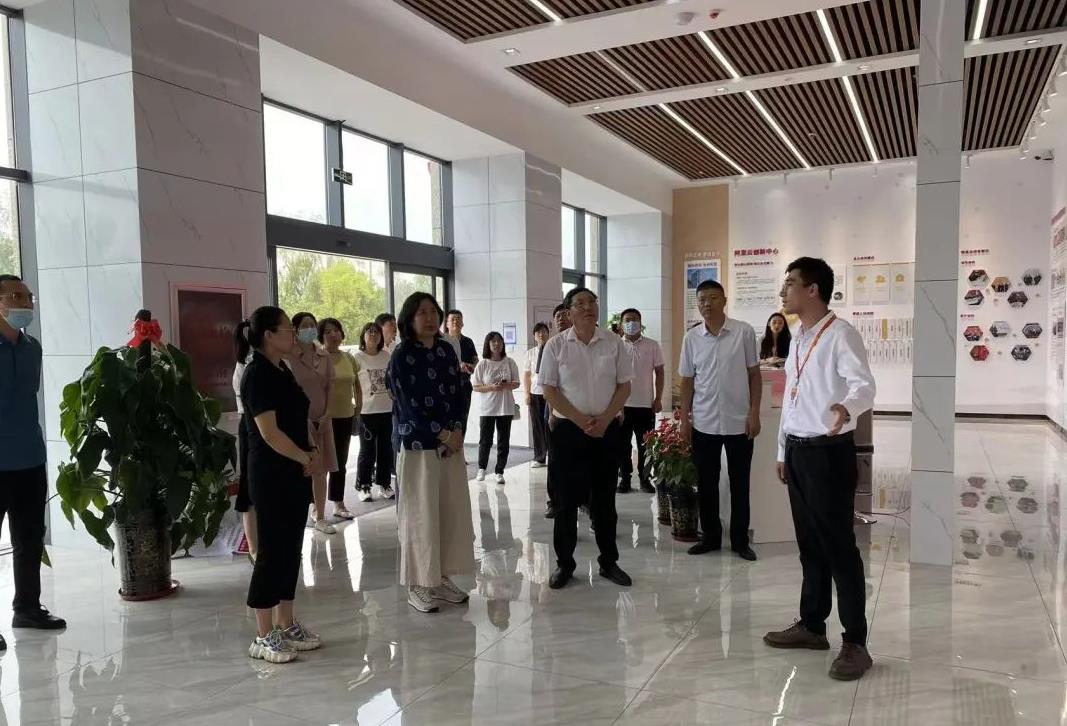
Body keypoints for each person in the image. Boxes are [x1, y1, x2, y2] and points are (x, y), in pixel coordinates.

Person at [763, 257, 876, 682]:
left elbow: (864, 385)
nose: (783, 291)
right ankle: (812, 625)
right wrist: (782, 449)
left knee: (839, 548)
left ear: (813, 290)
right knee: (809, 544)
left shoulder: (840, 334)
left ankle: (856, 643)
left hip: (828, 452)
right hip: (798, 450)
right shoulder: (799, 336)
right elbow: (792, 397)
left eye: (790, 283)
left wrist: (847, 407)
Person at [239, 306, 322, 663]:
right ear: (269, 336)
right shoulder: (257, 374)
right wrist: (304, 457)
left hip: (295, 469)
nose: (294, 334)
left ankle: (286, 623)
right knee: (271, 551)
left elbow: (298, 418)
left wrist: (311, 451)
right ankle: (263, 633)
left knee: (291, 548)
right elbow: (269, 433)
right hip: (271, 472)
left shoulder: (282, 369)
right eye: (288, 329)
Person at [539, 287, 633, 590]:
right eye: (580, 303)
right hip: (569, 431)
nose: (588, 307)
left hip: (606, 429)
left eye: (592, 302)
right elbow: (549, 389)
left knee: (605, 499)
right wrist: (580, 420)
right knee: (565, 501)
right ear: (568, 312)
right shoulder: (556, 346)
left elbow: (624, 386)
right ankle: (564, 564)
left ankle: (609, 562)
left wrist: (605, 419)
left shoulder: (614, 342)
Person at [388, 292, 475, 613]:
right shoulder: (401, 355)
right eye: (421, 312)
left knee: (448, 512)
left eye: (432, 311)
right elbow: (407, 405)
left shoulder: (445, 351)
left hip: (449, 446)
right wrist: (443, 434)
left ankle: (440, 577)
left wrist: (456, 432)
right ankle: (418, 584)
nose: (429, 318)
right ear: (409, 319)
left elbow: (458, 394)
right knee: (420, 514)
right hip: (418, 446)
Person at [0, 274, 66, 643]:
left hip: (28, 457)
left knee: (29, 538)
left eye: (29, 297)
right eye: (16, 296)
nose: (26, 303)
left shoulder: (32, 348)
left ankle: (27, 608)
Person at [679, 280, 761, 562]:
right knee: (707, 483)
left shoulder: (743, 332)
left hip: (739, 422)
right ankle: (711, 537)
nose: (707, 304)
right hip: (704, 422)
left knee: (740, 483)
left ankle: (740, 541)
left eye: (713, 298)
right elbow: (687, 381)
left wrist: (754, 412)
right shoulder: (691, 338)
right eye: (702, 299)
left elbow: (754, 375)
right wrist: (684, 419)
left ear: (724, 301)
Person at [288, 312, 339, 534]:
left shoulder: (323, 355)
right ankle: (298, 516)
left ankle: (320, 516)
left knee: (321, 469)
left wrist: (328, 414)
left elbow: (330, 387)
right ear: (295, 329)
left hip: (323, 419)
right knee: (301, 468)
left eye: (312, 325)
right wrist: (302, 418)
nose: (309, 329)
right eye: (305, 325)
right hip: (298, 421)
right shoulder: (288, 356)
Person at [617, 308, 664, 494]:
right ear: (621, 324)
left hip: (645, 405)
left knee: (645, 446)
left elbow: (660, 372)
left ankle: (645, 479)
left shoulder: (652, 345)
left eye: (635, 319)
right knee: (623, 446)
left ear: (641, 323)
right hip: (622, 405)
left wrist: (658, 398)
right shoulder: (616, 345)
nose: (631, 323)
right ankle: (625, 479)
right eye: (628, 320)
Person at [319, 318, 362, 519]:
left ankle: (339, 503)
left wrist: (358, 406)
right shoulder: (317, 358)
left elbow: (356, 384)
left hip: (345, 415)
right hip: (323, 418)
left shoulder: (348, 358)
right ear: (321, 336)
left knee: (340, 462)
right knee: (321, 464)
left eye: (336, 330)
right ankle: (316, 507)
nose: (333, 335)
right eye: (328, 331)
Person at [472, 331, 520, 484]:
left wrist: (505, 385)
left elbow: (517, 383)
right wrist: (492, 387)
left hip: (505, 407)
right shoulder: (482, 364)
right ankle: (482, 468)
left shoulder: (509, 362)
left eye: (499, 341)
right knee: (485, 440)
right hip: (487, 408)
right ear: (488, 344)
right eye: (493, 341)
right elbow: (475, 386)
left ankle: (499, 471)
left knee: (503, 441)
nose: (497, 344)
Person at [354, 322, 394, 501]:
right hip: (366, 411)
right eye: (369, 332)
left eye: (376, 332)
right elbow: (353, 384)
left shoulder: (386, 355)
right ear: (363, 336)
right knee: (367, 451)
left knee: (385, 449)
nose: (373, 335)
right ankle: (364, 485)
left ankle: (384, 484)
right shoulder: (357, 358)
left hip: (387, 409)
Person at [542, 304, 572, 520]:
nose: (560, 318)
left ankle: (584, 501)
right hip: (555, 412)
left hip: (581, 412)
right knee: (555, 460)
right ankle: (554, 502)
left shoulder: (582, 342)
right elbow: (547, 385)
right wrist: (552, 413)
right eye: (557, 316)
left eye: (564, 315)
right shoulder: (551, 345)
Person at [232, 327, 257, 564]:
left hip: (269, 427)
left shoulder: (279, 364)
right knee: (250, 487)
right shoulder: (245, 366)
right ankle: (254, 548)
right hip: (251, 427)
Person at [443, 309, 479, 435]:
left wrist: (470, 366)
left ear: (462, 323)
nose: (455, 322)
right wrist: (458, 365)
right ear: (447, 323)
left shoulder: (468, 342)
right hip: (445, 387)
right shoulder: (442, 341)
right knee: (446, 419)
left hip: (464, 385)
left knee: (462, 419)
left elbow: (475, 361)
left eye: (458, 319)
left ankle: (459, 445)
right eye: (452, 319)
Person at [522, 322, 551, 468]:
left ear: (548, 334)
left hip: (551, 394)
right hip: (535, 393)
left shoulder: (552, 350)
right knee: (537, 426)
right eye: (538, 332)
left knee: (551, 424)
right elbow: (527, 375)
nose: (541, 334)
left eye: (544, 331)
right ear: (534, 336)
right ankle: (540, 457)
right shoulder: (530, 353)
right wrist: (526, 394)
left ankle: (553, 455)